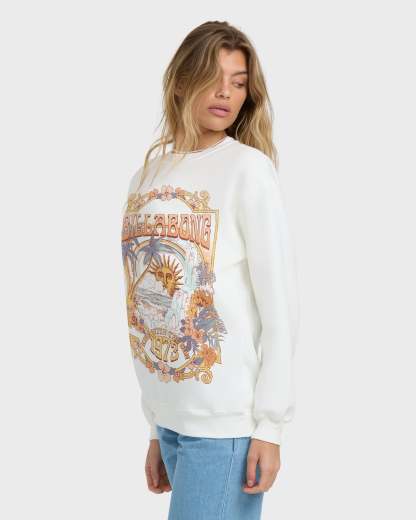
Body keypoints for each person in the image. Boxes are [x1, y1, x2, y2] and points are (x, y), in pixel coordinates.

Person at [121, 20, 300, 520]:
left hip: (225, 426)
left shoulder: (248, 169)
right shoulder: (147, 176)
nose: (226, 93)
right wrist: (156, 427)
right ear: (182, 81)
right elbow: (141, 305)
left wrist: (270, 427)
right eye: (213, 77)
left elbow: (279, 307)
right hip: (173, 420)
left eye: (239, 82)